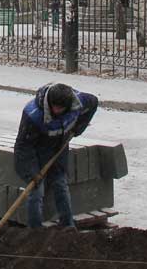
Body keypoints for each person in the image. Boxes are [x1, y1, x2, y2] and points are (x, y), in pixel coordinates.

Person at [14, 83, 98, 228]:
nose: (57, 110)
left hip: (59, 148)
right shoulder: (33, 115)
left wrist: (79, 127)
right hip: (36, 151)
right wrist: (31, 172)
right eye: (55, 107)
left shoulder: (78, 101)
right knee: (36, 190)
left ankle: (67, 226)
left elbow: (94, 102)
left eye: (61, 108)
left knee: (61, 185)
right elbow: (23, 146)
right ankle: (35, 232)